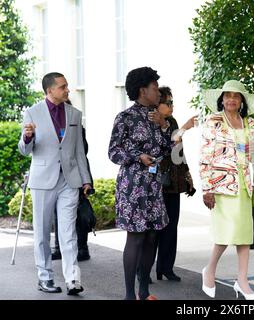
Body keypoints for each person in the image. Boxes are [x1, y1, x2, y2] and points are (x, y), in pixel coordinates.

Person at [18, 72, 92, 295]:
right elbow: (24, 150)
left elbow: (79, 149)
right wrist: (27, 137)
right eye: (63, 87)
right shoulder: (32, 113)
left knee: (68, 232)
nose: (67, 90)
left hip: (69, 180)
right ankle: (45, 277)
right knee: (41, 233)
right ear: (50, 90)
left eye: (67, 86)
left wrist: (86, 179)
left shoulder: (75, 114)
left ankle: (72, 279)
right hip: (42, 181)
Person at [108, 66, 171, 300]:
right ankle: (128, 294)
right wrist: (137, 157)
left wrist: (163, 126)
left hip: (154, 184)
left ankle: (144, 290)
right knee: (136, 237)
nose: (158, 93)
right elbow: (113, 152)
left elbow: (167, 149)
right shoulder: (124, 118)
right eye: (155, 88)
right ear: (143, 90)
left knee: (152, 236)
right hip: (133, 185)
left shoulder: (157, 115)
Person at [200, 80, 254, 300]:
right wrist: (206, 188)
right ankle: (209, 270)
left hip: (244, 185)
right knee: (225, 234)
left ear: (242, 100)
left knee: (244, 235)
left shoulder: (250, 123)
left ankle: (242, 281)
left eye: (236, 96)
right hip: (222, 185)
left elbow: (253, 157)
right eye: (227, 96)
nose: (231, 100)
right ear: (222, 99)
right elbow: (205, 156)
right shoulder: (213, 121)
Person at [144, 86, 196, 282]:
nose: (172, 105)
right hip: (156, 182)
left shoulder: (171, 121)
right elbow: (163, 147)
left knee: (171, 226)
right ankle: (145, 270)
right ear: (157, 104)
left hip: (173, 182)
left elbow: (178, 151)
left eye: (172, 102)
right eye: (168, 102)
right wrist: (184, 128)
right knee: (153, 230)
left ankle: (166, 268)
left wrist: (187, 175)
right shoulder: (149, 122)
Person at [52, 99, 94, 262]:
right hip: (56, 176)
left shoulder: (76, 126)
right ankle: (59, 247)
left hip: (76, 173)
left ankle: (82, 248)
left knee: (80, 211)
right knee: (58, 213)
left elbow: (82, 150)